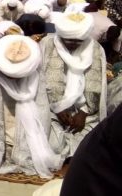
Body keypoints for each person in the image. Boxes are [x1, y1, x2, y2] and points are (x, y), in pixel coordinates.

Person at [0, 35, 62, 178]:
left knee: (52, 144)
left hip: (23, 105)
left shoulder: (34, 67)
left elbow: (41, 107)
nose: (13, 79)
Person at [40, 12, 107, 161]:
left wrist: (83, 113)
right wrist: (58, 108)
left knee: (90, 147)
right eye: (68, 40)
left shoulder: (95, 48)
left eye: (78, 41)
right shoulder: (47, 44)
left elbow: (95, 84)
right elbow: (41, 82)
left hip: (86, 112)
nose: (72, 44)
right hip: (51, 109)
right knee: (53, 147)